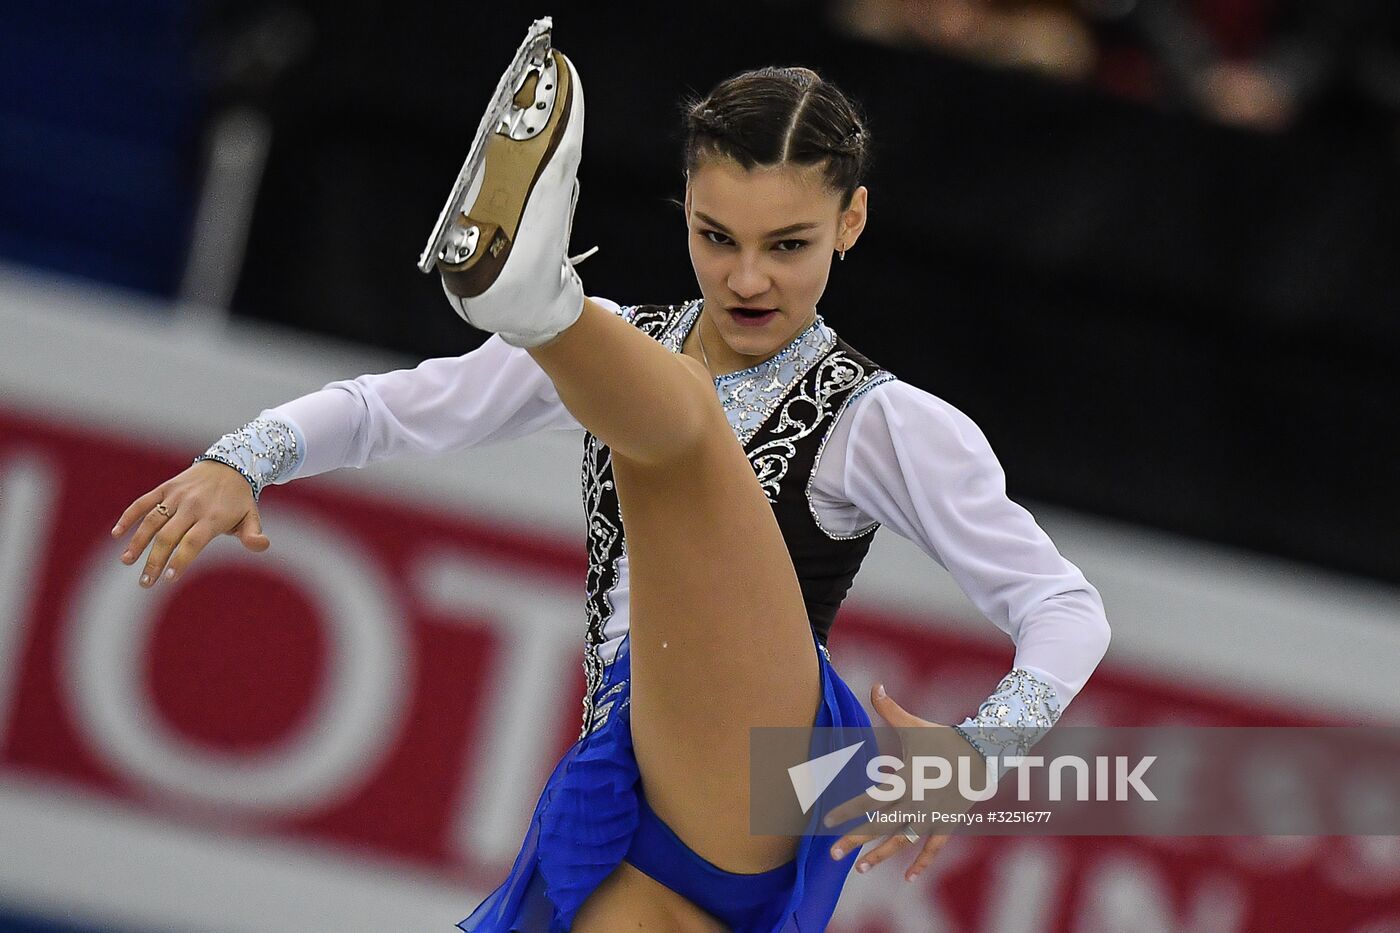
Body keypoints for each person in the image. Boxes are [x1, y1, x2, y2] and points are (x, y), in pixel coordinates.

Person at [112, 21, 1109, 931]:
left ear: (850, 222)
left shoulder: (883, 422)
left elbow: (1062, 608)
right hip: (630, 794)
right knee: (657, 402)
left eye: (787, 245)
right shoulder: (630, 354)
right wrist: (244, 458)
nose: (747, 278)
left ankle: (538, 300)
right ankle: (536, 302)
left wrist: (981, 751)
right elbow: (390, 410)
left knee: (674, 431)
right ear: (682, 208)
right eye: (715, 237)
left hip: (763, 768)